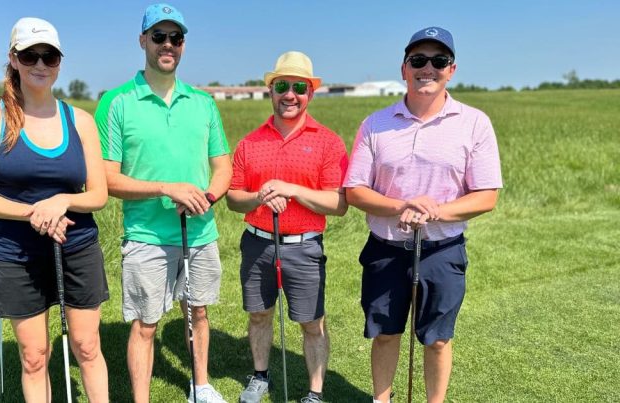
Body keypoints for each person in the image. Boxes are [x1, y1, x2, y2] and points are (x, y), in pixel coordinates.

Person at [344, 27, 503, 403]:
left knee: (437, 339)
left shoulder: (474, 122)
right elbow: (355, 190)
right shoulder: (375, 123)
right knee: (385, 333)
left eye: (438, 60)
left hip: (442, 250)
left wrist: (435, 212)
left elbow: (486, 196)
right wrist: (403, 206)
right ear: (404, 69)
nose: (427, 68)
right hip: (386, 249)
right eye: (418, 60)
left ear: (451, 69)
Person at [0, 17, 109, 402]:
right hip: (18, 254)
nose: (40, 65)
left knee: (87, 346)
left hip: (77, 247)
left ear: (59, 62)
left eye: (49, 56)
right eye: (30, 56)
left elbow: (98, 194)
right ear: (13, 59)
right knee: (34, 356)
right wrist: (34, 213)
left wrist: (63, 201)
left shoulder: (80, 121)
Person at [93, 4, 231, 403]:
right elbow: (107, 178)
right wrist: (166, 189)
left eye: (176, 37)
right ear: (143, 41)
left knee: (199, 311)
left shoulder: (203, 102)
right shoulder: (116, 102)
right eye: (159, 36)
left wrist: (206, 197)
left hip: (200, 231)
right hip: (146, 235)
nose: (167, 44)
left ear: (183, 45)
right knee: (146, 324)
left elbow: (223, 167)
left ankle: (201, 386)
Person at [226, 51, 349, 403]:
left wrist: (291, 189)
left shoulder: (328, 142)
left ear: (311, 92)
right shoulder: (250, 142)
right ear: (271, 90)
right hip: (257, 242)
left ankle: (315, 393)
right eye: (282, 86)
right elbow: (234, 198)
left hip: (304, 246)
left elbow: (339, 204)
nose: (290, 95)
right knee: (259, 315)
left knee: (312, 322)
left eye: (299, 87)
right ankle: (260, 376)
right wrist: (260, 197)